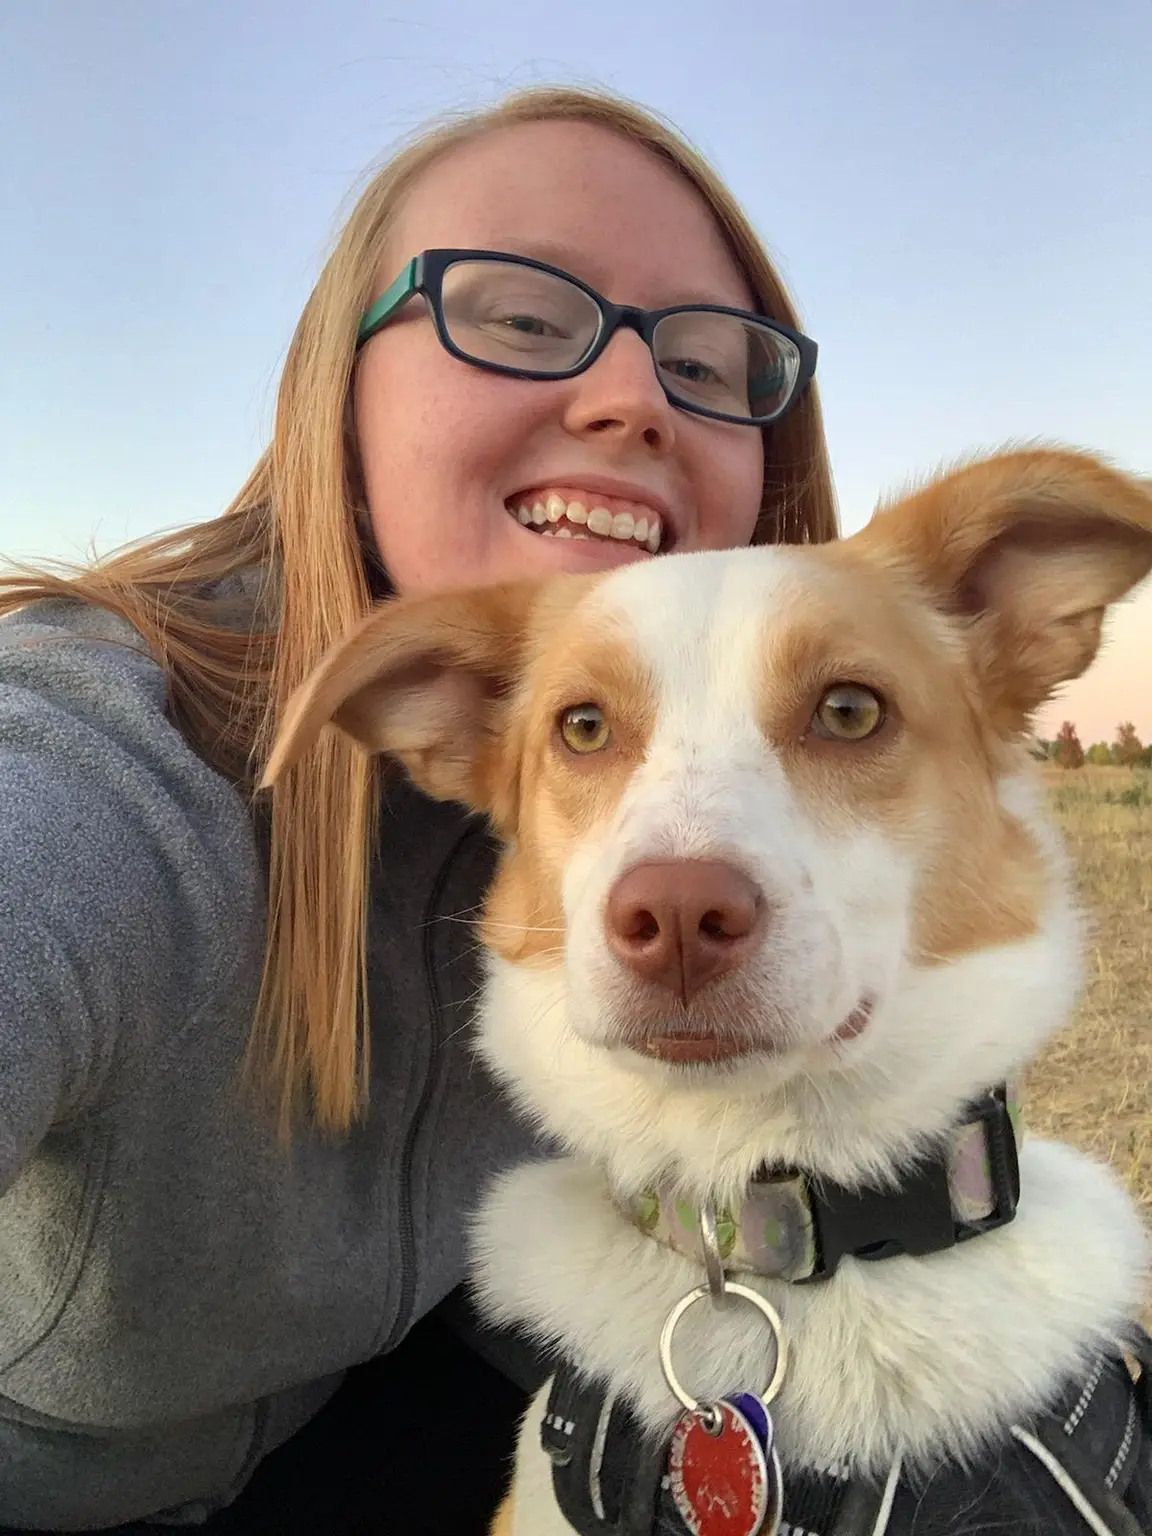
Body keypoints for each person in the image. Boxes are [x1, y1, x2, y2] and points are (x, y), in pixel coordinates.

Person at [0, 85, 837, 1534]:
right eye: (519, 317)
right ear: (337, 392)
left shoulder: (718, 825)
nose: (635, 397)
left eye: (707, 361)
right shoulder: (99, 774)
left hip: (388, 1416)